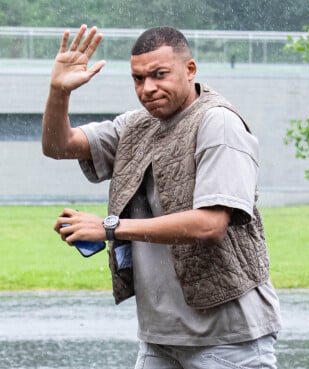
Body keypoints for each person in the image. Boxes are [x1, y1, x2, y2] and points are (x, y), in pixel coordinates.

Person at [43, 24, 282, 369]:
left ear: (190, 70)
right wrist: (58, 91)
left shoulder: (218, 124)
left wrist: (110, 228)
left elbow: (209, 225)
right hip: (160, 339)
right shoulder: (136, 126)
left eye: (159, 75)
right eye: (138, 79)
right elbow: (58, 145)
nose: (148, 88)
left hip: (228, 338)